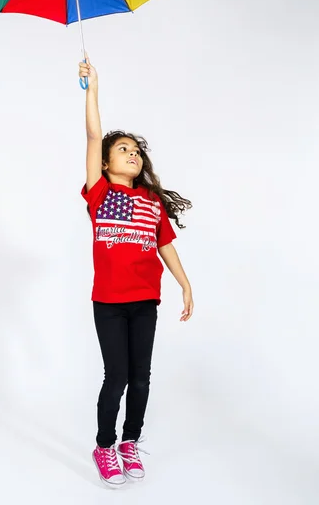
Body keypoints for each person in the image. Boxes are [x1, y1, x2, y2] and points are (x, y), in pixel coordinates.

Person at [79, 57, 194, 489]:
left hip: (146, 301)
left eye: (135, 149)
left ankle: (130, 442)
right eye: (123, 149)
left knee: (142, 379)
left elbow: (165, 245)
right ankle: (104, 446)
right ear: (106, 163)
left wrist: (184, 285)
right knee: (118, 377)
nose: (133, 153)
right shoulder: (99, 193)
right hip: (109, 303)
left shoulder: (151, 200)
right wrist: (92, 88)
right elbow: (93, 134)